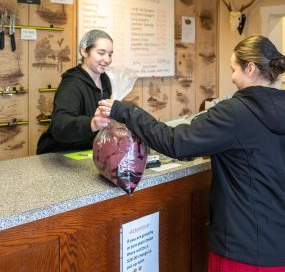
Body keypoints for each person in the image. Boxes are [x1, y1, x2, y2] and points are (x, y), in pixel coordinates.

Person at [97, 35, 285, 271]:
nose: (232, 77)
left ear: (250, 68)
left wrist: (124, 110)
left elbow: (176, 143)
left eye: (233, 69)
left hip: (242, 248)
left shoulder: (236, 112)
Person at [37, 29, 113, 154]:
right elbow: (59, 126)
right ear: (84, 51)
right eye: (101, 53)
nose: (107, 60)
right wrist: (92, 123)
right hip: (60, 155)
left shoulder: (105, 81)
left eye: (110, 54)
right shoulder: (71, 85)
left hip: (88, 152)